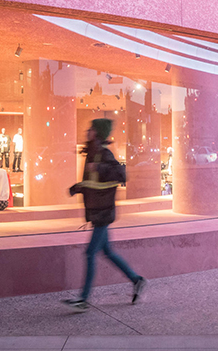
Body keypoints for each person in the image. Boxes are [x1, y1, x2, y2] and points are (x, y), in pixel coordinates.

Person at [62, 118, 146, 312]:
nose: (87, 131)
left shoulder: (103, 153)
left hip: (103, 213)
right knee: (107, 252)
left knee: (90, 253)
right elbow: (95, 183)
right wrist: (79, 187)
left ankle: (83, 298)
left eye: (91, 128)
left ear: (98, 133)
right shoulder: (92, 153)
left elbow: (121, 174)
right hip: (98, 210)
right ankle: (137, 280)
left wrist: (98, 169)